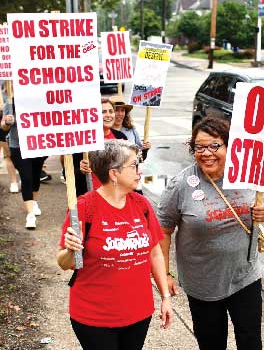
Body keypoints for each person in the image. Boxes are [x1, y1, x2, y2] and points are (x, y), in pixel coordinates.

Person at [157, 117, 264, 350]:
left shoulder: (248, 173)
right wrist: (165, 273)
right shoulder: (181, 185)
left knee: (250, 340)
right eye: (199, 147)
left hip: (245, 274)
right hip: (203, 282)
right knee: (211, 343)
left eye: (214, 146)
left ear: (229, 146)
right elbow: (163, 230)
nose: (206, 153)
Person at [57, 139, 173, 350]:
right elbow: (64, 263)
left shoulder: (142, 204)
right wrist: (70, 249)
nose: (139, 170)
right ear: (114, 173)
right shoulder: (84, 208)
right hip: (95, 318)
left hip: (139, 313)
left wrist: (165, 297)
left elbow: (155, 254)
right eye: (133, 165)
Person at [1, 98, 47, 229]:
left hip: (40, 145)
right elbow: (2, 129)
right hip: (19, 147)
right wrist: (7, 122)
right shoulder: (10, 103)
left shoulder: (41, 100)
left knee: (35, 176)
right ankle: (30, 214)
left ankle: (33, 202)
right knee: (26, 177)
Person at [73, 98, 127, 196]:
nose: (108, 115)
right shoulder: (84, 139)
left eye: (111, 111)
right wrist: (81, 170)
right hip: (92, 198)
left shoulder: (121, 137)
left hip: (117, 196)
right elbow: (68, 172)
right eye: (103, 112)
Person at [109, 95, 151, 162]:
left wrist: (145, 149)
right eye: (116, 110)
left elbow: (140, 158)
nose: (120, 114)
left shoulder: (131, 130)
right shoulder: (103, 131)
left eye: (122, 110)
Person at [0, 82, 19, 193]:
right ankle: (13, 181)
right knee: (8, 154)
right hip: (3, 116)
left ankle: (24, 176)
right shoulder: (4, 79)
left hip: (16, 114)